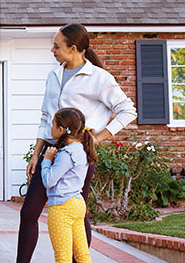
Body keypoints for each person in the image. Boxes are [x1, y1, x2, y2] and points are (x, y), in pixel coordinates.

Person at [16, 23, 137, 263]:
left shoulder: (99, 78)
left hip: (77, 156)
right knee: (29, 213)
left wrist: (96, 138)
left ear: (73, 48)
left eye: (57, 46)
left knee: (77, 215)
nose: (53, 50)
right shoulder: (54, 74)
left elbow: (127, 110)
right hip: (50, 152)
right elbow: (45, 116)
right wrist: (36, 154)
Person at [41, 107, 96, 263]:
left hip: (62, 207)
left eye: (52, 125)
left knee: (62, 257)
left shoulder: (67, 153)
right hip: (77, 204)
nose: (50, 128)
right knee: (82, 255)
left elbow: (48, 181)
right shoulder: (81, 149)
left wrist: (46, 160)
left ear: (61, 129)